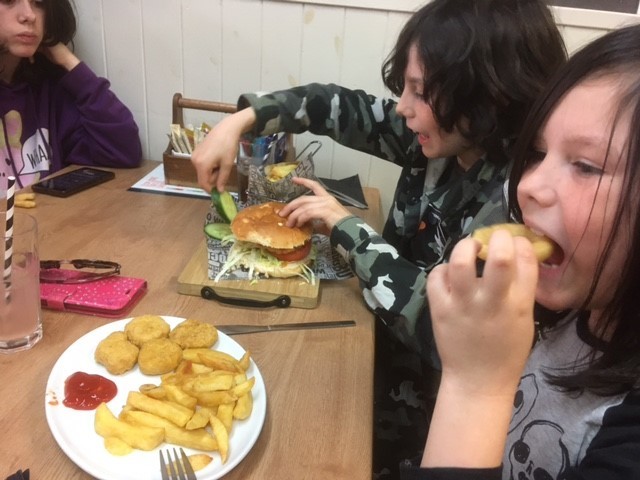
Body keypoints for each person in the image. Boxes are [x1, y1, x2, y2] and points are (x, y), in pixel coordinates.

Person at [191, 0, 566, 476]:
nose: (404, 109)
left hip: (429, 424)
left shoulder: (519, 205)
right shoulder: (441, 136)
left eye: (421, 91)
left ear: (490, 95)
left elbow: (441, 332)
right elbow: (333, 105)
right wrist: (237, 122)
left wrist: (347, 227)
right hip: (375, 349)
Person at [401, 23, 640, 479]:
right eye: (539, 153)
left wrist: (475, 387)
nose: (528, 185)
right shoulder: (570, 310)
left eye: (585, 166)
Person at [0, 0, 142, 190]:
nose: (29, 15)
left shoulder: (48, 90)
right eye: (9, 1)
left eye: (39, 3)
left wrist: (67, 60)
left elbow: (122, 152)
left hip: (50, 218)